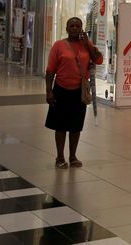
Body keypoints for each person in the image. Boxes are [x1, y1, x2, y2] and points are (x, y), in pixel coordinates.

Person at [45, 17, 103, 169]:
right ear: (66, 28)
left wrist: (88, 43)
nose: (75, 28)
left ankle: (73, 156)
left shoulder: (86, 45)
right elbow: (50, 70)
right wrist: (49, 91)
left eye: (78, 26)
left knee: (76, 126)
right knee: (60, 125)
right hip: (61, 90)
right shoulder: (59, 46)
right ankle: (60, 157)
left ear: (82, 28)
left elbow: (98, 59)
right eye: (72, 26)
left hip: (79, 92)